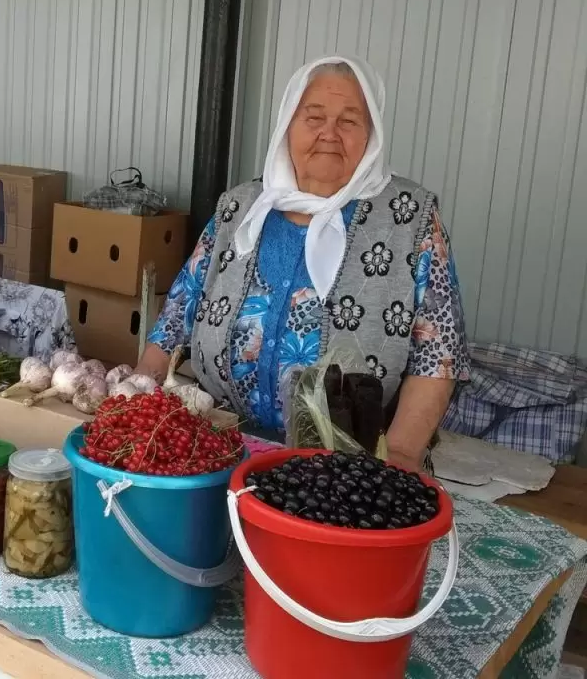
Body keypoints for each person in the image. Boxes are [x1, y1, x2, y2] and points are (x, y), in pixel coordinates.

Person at [134, 55, 469, 471]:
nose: (330, 133)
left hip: (351, 467)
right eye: (313, 117)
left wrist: (399, 456)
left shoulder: (409, 218)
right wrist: (138, 399)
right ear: (287, 126)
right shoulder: (240, 207)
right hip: (219, 445)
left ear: (372, 135)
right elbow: (176, 317)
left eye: (349, 121)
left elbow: (437, 354)